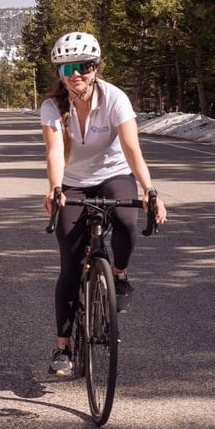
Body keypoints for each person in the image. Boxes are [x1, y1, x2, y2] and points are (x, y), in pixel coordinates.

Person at [41, 31, 167, 376]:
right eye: (68, 69)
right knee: (69, 264)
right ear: (59, 74)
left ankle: (119, 274)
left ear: (95, 68)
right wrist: (55, 188)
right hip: (73, 182)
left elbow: (131, 149)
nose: (76, 74)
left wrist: (149, 189)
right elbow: (54, 152)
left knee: (128, 221)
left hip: (114, 174)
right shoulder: (53, 107)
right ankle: (63, 347)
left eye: (83, 66)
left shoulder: (115, 98)